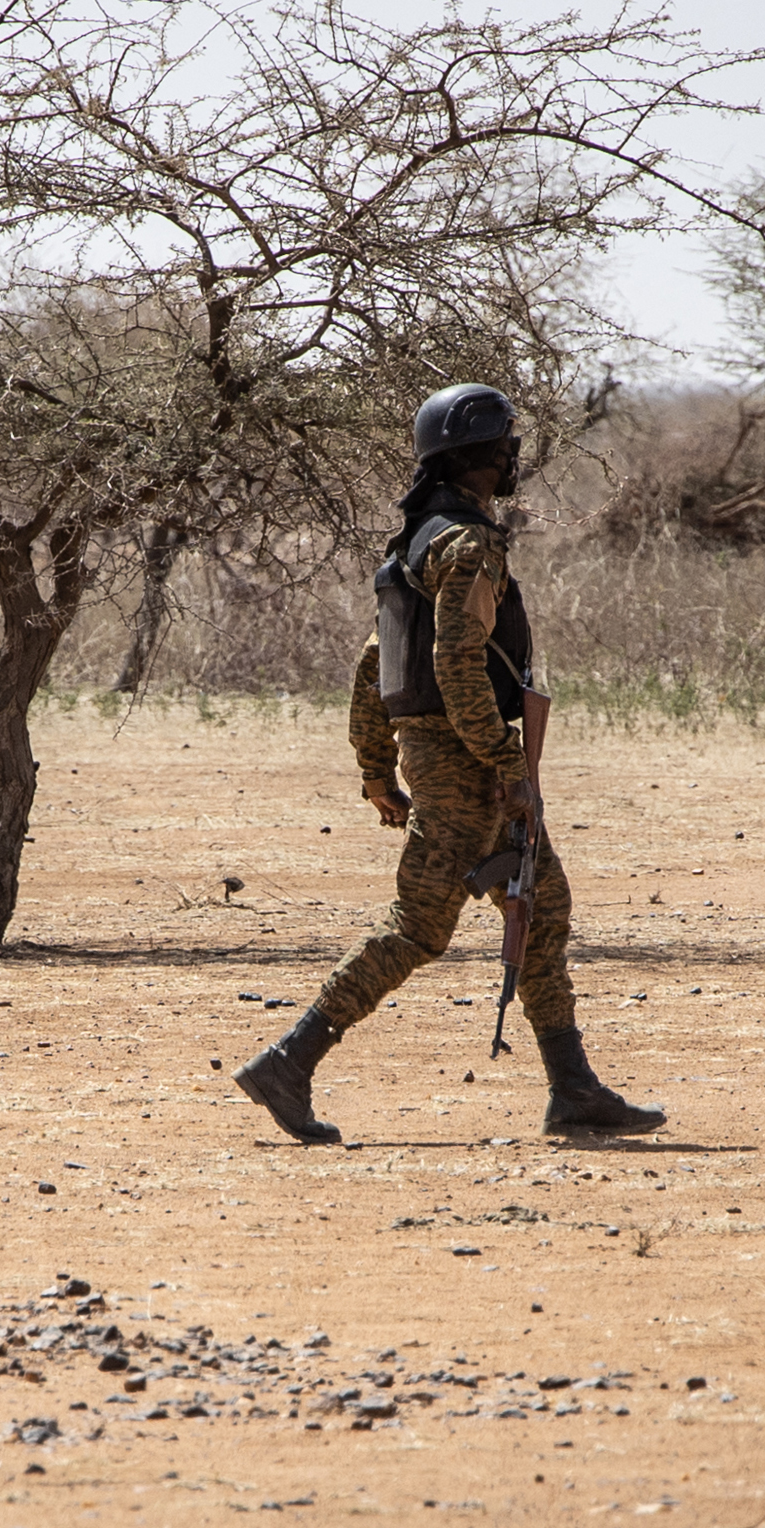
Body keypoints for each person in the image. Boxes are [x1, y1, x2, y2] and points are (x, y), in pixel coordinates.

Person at [232, 384, 664, 1144]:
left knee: (512, 910)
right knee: (465, 918)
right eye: (503, 446)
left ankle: (570, 1088)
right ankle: (291, 1061)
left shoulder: (413, 544)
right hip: (468, 763)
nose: (512, 457)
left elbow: (375, 667)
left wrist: (376, 766)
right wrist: (507, 764)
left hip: (438, 757)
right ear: (480, 457)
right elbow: (458, 664)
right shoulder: (468, 544)